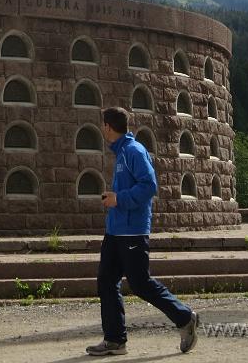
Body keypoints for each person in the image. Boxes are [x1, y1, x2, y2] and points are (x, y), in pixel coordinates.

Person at [87, 105, 198, 356]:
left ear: (107, 127)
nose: (102, 130)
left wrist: (118, 199)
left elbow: (149, 186)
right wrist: (115, 200)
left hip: (132, 232)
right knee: (106, 281)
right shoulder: (122, 152)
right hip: (116, 230)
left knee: (141, 283)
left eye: (102, 125)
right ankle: (115, 340)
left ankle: (184, 318)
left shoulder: (134, 151)